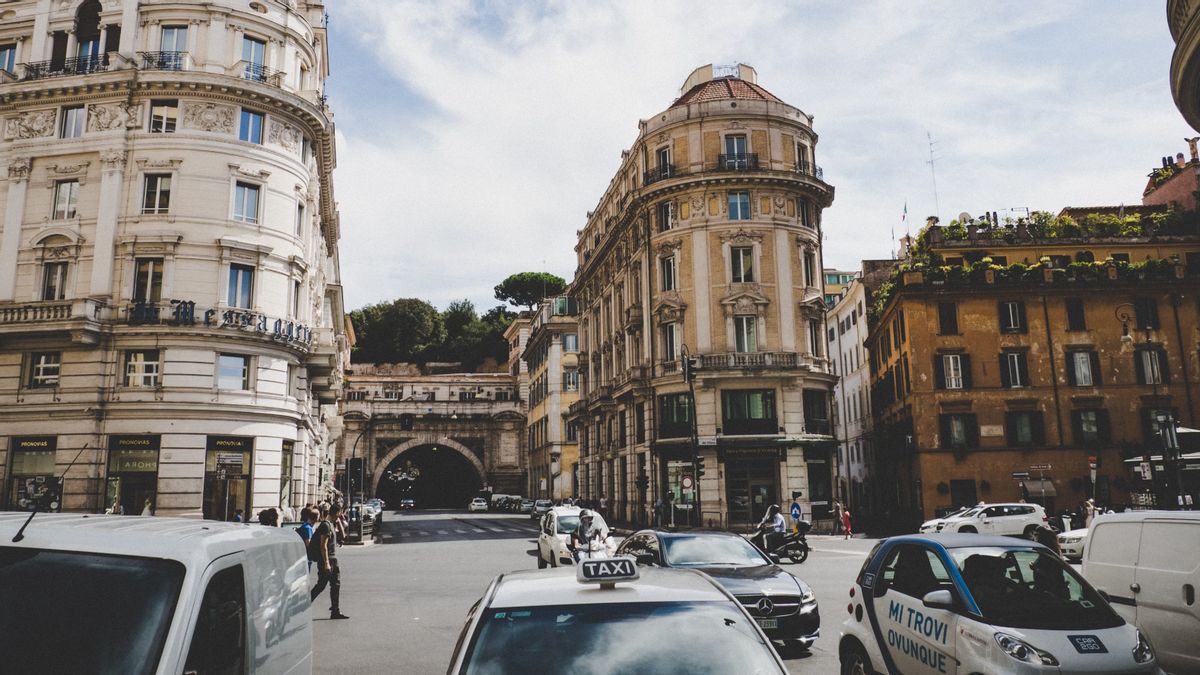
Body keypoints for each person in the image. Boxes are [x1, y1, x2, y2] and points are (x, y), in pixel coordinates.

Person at [310, 504, 349, 619]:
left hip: (333, 559)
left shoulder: (332, 524)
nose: (341, 515)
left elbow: (343, 536)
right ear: (337, 512)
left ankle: (335, 611)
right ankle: (303, 606)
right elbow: (323, 545)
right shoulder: (326, 526)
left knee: (335, 584)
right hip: (327, 559)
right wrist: (326, 562)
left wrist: (340, 521)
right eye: (340, 513)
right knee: (321, 585)